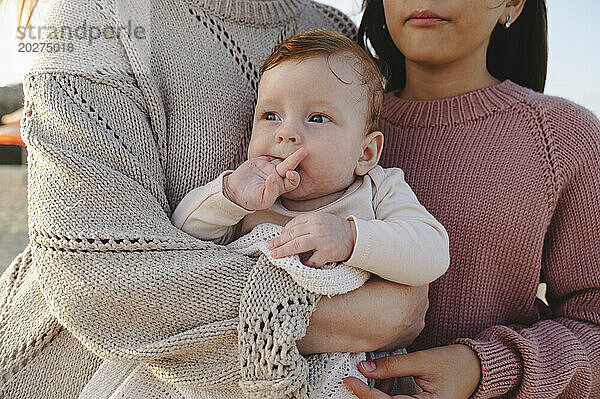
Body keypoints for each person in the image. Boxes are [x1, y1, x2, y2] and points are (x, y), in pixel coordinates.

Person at [0, 1, 429, 398]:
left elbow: (425, 245)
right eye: (269, 116)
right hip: (91, 370)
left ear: (368, 153)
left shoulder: (333, 32)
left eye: (316, 118)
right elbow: (97, 276)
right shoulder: (97, 16)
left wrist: (358, 243)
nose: (286, 134)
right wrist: (367, 315)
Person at [342, 0, 600, 398]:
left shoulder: (564, 139)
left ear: (512, 3)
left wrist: (484, 368)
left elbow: (593, 322)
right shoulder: (324, 123)